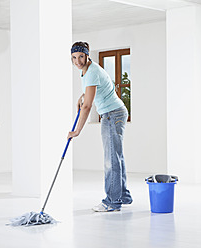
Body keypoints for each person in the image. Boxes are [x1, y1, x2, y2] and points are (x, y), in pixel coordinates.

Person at [67, 41, 132, 212]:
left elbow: (88, 107)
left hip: (112, 115)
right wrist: (83, 96)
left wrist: (77, 131)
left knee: (111, 160)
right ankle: (122, 195)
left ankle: (112, 201)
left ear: (87, 55)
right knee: (116, 156)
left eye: (81, 56)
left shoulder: (91, 72)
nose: (77, 61)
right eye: (74, 57)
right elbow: (94, 92)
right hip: (115, 113)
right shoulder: (88, 70)